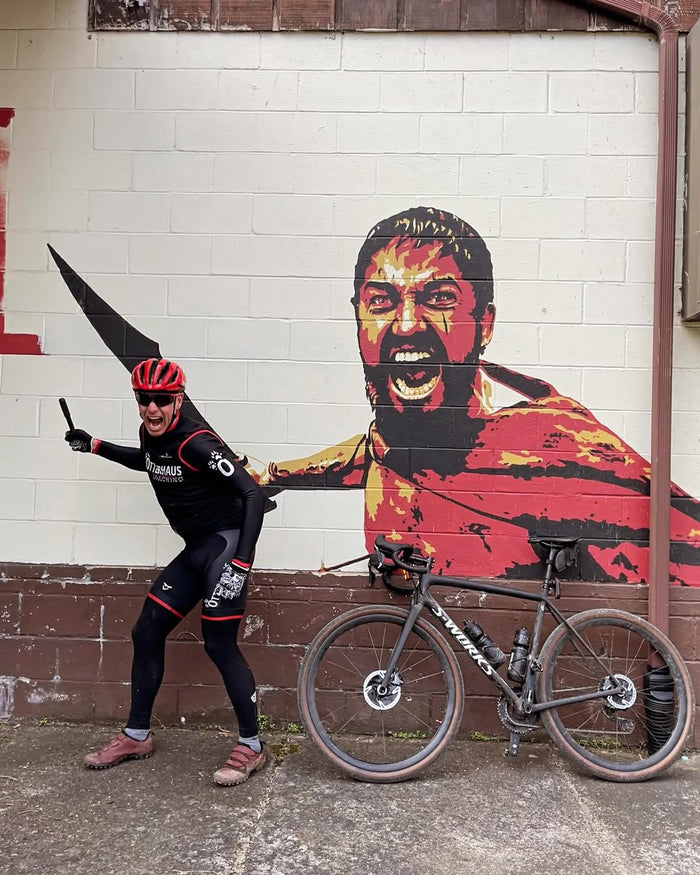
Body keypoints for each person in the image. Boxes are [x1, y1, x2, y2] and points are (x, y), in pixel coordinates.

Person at [260, 206, 700, 584]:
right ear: (357, 318)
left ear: (484, 324)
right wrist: (275, 474)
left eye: (439, 298)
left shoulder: (552, 439)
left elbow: (681, 538)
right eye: (381, 302)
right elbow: (374, 451)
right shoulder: (399, 433)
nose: (406, 324)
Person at [64, 357, 268, 785]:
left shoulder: (198, 443)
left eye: (161, 400)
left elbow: (251, 492)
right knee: (147, 630)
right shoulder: (151, 432)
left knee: (218, 643)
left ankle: (252, 746)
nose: (151, 408)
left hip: (224, 549)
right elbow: (148, 460)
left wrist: (241, 562)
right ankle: (137, 735)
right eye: (143, 399)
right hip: (196, 549)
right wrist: (96, 445)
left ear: (177, 400)